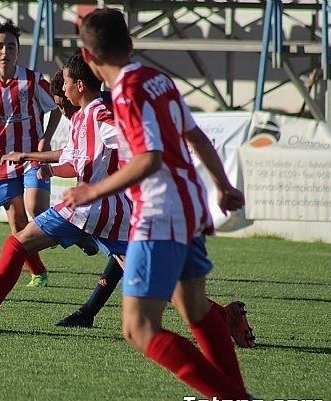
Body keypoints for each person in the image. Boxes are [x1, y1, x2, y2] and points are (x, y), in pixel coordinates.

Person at [63, 8, 253, 399]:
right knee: (196, 310)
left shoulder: (127, 93)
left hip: (159, 213)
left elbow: (149, 159)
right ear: (130, 44)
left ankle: (236, 398)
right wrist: (223, 185)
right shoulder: (157, 80)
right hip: (189, 206)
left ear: (87, 57)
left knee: (138, 328)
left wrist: (91, 191)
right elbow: (195, 136)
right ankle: (233, 392)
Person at [9, 67, 257, 345]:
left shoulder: (104, 109)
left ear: (77, 87)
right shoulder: (101, 108)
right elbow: (78, 154)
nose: (63, 108)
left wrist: (99, 187)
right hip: (126, 208)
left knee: (149, 313)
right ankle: (223, 325)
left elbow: (143, 151)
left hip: (128, 208)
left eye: (62, 100)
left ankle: (222, 327)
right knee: (153, 290)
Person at [0, 52, 131, 334]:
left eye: (67, 83)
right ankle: (213, 315)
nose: (62, 88)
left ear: (81, 86)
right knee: (145, 272)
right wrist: (48, 169)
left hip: (89, 208)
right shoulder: (82, 117)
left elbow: (132, 140)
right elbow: (75, 162)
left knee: (16, 245)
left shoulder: (99, 113)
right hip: (114, 214)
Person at [0, 20, 62, 288]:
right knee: (17, 222)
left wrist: (46, 137)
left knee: (36, 208)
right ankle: (38, 272)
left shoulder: (32, 80)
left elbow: (56, 107)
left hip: (31, 155)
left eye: (11, 46)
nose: (5, 51)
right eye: (0, 46)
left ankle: (66, 231)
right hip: (1, 161)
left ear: (18, 51)